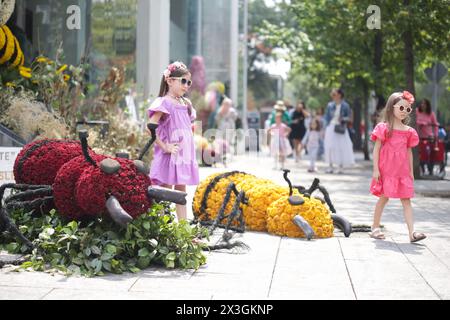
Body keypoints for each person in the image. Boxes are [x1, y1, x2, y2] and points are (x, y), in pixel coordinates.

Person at [369, 91, 426, 243]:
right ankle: (375, 227)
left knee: (406, 200)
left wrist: (411, 172)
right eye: (401, 108)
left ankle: (412, 233)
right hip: (386, 170)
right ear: (391, 107)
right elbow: (377, 148)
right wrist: (376, 169)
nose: (404, 111)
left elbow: (409, 152)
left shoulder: (409, 132)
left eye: (408, 109)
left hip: (402, 172)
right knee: (383, 198)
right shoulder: (384, 128)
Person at [147, 61, 199, 221]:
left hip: (183, 155)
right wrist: (165, 146)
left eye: (189, 82)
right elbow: (150, 127)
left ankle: (182, 228)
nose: (186, 85)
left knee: (181, 191)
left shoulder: (186, 104)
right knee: (166, 190)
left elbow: (187, 125)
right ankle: (162, 227)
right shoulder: (165, 102)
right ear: (169, 81)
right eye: (183, 81)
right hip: (170, 154)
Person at [323, 88, 355, 173]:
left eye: (335, 93)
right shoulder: (330, 105)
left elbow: (349, 117)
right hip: (331, 128)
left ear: (339, 95)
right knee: (329, 147)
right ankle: (330, 166)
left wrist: (343, 119)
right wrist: (324, 128)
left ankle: (340, 167)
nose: (333, 95)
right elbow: (326, 117)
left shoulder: (345, 105)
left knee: (341, 147)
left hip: (340, 128)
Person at [416, 99, 440, 175]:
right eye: (422, 103)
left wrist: (436, 135)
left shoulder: (431, 113)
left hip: (429, 136)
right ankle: (422, 169)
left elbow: (435, 124)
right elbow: (414, 120)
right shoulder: (417, 111)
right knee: (422, 153)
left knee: (432, 152)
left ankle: (431, 170)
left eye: (425, 104)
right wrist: (421, 123)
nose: (423, 105)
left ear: (427, 105)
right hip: (419, 136)